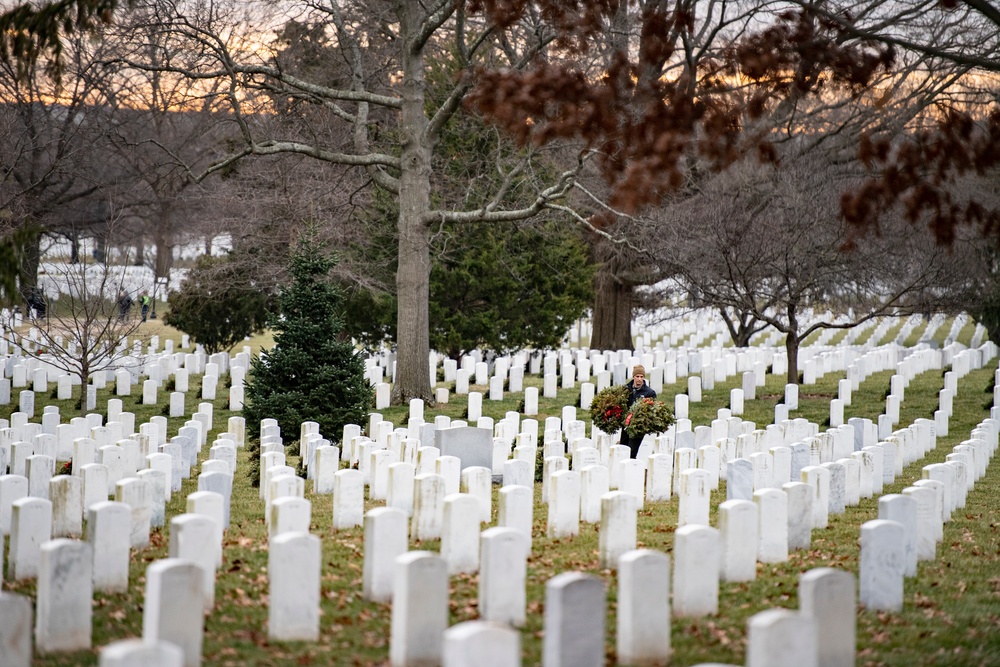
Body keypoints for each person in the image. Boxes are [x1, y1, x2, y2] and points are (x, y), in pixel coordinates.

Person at [620, 364, 657, 459]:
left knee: (632, 452)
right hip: (626, 425)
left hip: (638, 427)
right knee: (623, 449)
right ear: (633, 377)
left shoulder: (649, 393)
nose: (639, 379)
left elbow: (652, 409)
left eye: (642, 376)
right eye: (637, 376)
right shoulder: (625, 389)